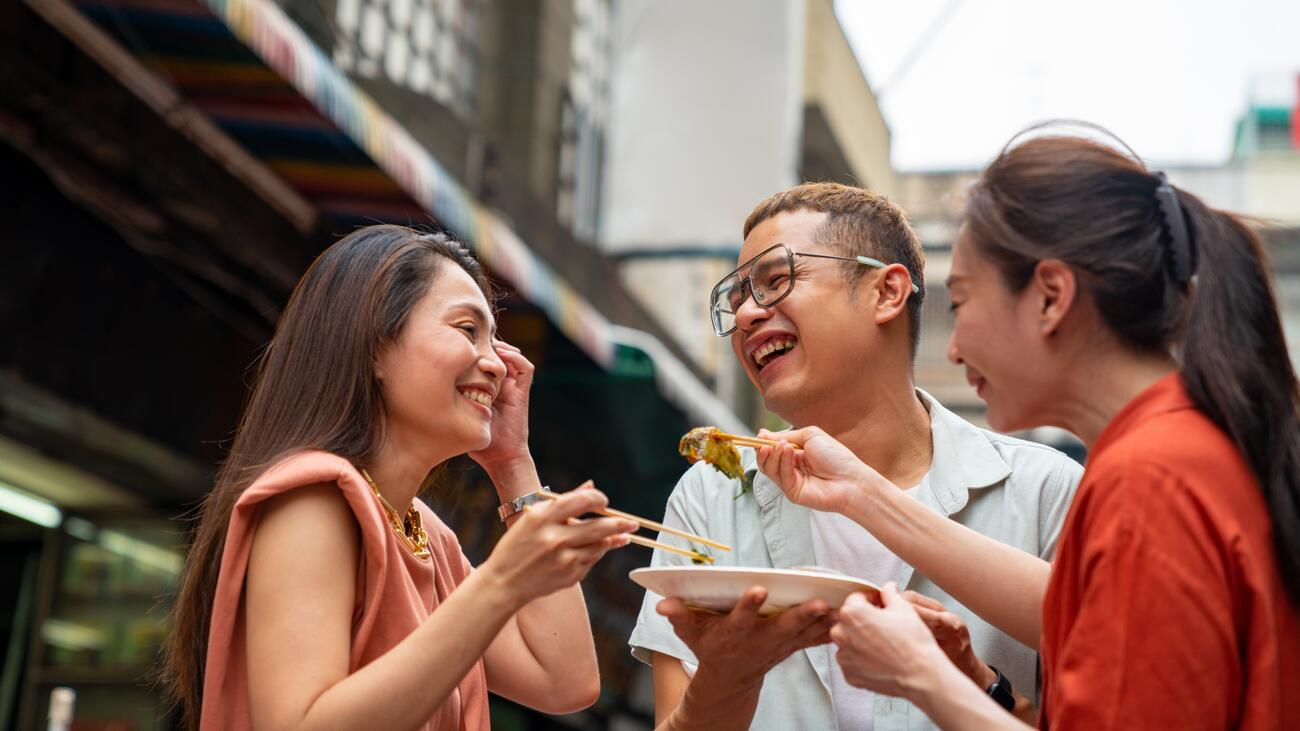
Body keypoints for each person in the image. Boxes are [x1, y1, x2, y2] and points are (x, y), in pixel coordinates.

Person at [758, 130, 1300, 729]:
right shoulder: (1178, 448)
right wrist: (861, 493)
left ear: (1049, 297)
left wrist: (922, 677)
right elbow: (1067, 611)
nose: (956, 348)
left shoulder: (1149, 480)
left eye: (959, 303)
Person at [628, 183, 1083, 730]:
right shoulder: (710, 496)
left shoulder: (1043, 490)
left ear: (887, 293)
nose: (747, 314)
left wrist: (980, 685)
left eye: (776, 281)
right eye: (734, 302)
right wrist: (731, 672)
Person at [160, 225, 637, 730]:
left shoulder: (431, 538)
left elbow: (567, 682)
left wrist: (513, 463)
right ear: (374, 346)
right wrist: (501, 583)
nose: (496, 363)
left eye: (495, 340)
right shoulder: (313, 495)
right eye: (466, 330)